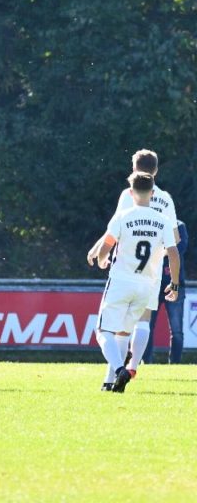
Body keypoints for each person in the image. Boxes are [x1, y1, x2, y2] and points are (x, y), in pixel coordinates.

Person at [87, 149, 178, 381]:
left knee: (113, 328)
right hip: (151, 272)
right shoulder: (165, 198)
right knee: (143, 320)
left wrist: (98, 250)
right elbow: (175, 240)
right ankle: (133, 365)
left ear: (134, 169)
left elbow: (114, 229)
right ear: (156, 170)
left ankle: (114, 374)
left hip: (125, 270)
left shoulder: (128, 194)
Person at [145, 220, 188, 363]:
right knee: (146, 326)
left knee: (177, 331)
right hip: (153, 285)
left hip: (175, 284)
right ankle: (145, 362)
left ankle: (175, 364)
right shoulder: (151, 223)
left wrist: (162, 251)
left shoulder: (179, 225)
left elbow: (181, 247)